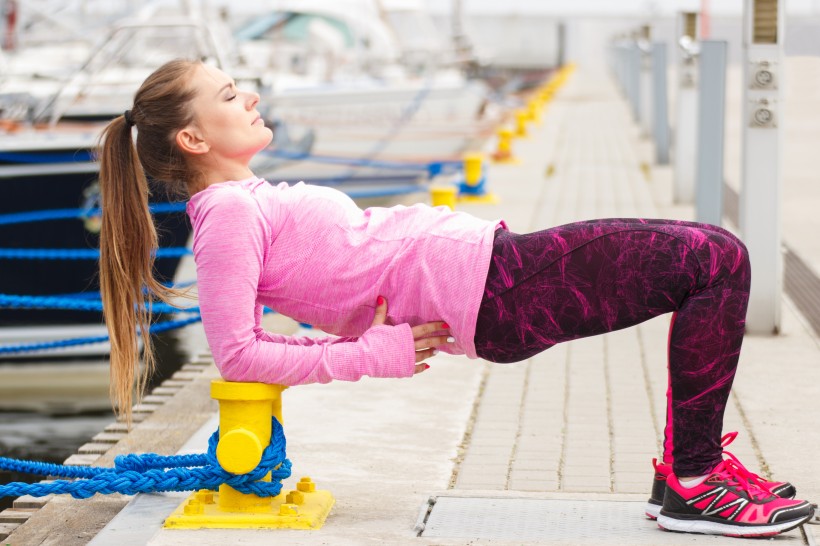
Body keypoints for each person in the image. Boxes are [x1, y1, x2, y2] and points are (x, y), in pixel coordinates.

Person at [97, 59, 814, 538]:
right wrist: (371, 354)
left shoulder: (242, 200)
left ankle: (686, 476)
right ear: (192, 137)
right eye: (227, 96)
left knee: (710, 258)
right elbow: (238, 352)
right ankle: (694, 480)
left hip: (497, 270)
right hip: (496, 290)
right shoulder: (226, 216)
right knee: (717, 260)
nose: (247, 95)